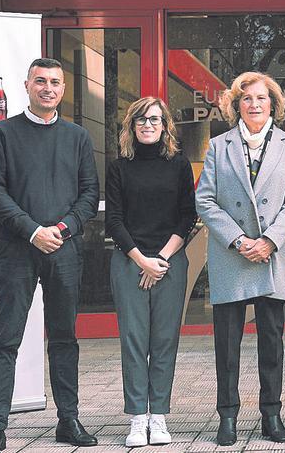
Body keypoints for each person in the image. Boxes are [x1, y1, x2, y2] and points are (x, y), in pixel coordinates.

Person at [0, 58, 99, 453]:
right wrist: (33, 231)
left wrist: (60, 230)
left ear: (63, 89)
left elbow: (88, 195)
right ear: (27, 85)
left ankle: (68, 420)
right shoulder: (3, 134)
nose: (48, 88)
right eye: (41, 81)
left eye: (56, 83)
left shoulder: (78, 137)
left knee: (64, 338)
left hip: (64, 250)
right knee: (5, 339)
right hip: (17, 251)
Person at [196, 71, 285, 446]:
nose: (254, 105)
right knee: (226, 345)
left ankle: (271, 415)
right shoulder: (218, 145)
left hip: (271, 256)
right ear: (236, 105)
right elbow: (205, 200)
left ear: (273, 103)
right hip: (233, 256)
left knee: (271, 342)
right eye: (246, 99)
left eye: (261, 98)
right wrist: (239, 239)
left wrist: (270, 241)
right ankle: (227, 416)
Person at [105, 97, 197, 447]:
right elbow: (113, 219)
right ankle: (136, 418)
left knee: (163, 341)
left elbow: (187, 216)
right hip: (129, 262)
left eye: (155, 120)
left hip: (170, 262)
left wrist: (159, 259)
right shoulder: (119, 167)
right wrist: (142, 260)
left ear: (164, 126)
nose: (147, 125)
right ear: (131, 125)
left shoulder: (178, 164)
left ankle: (158, 416)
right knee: (133, 342)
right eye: (141, 119)